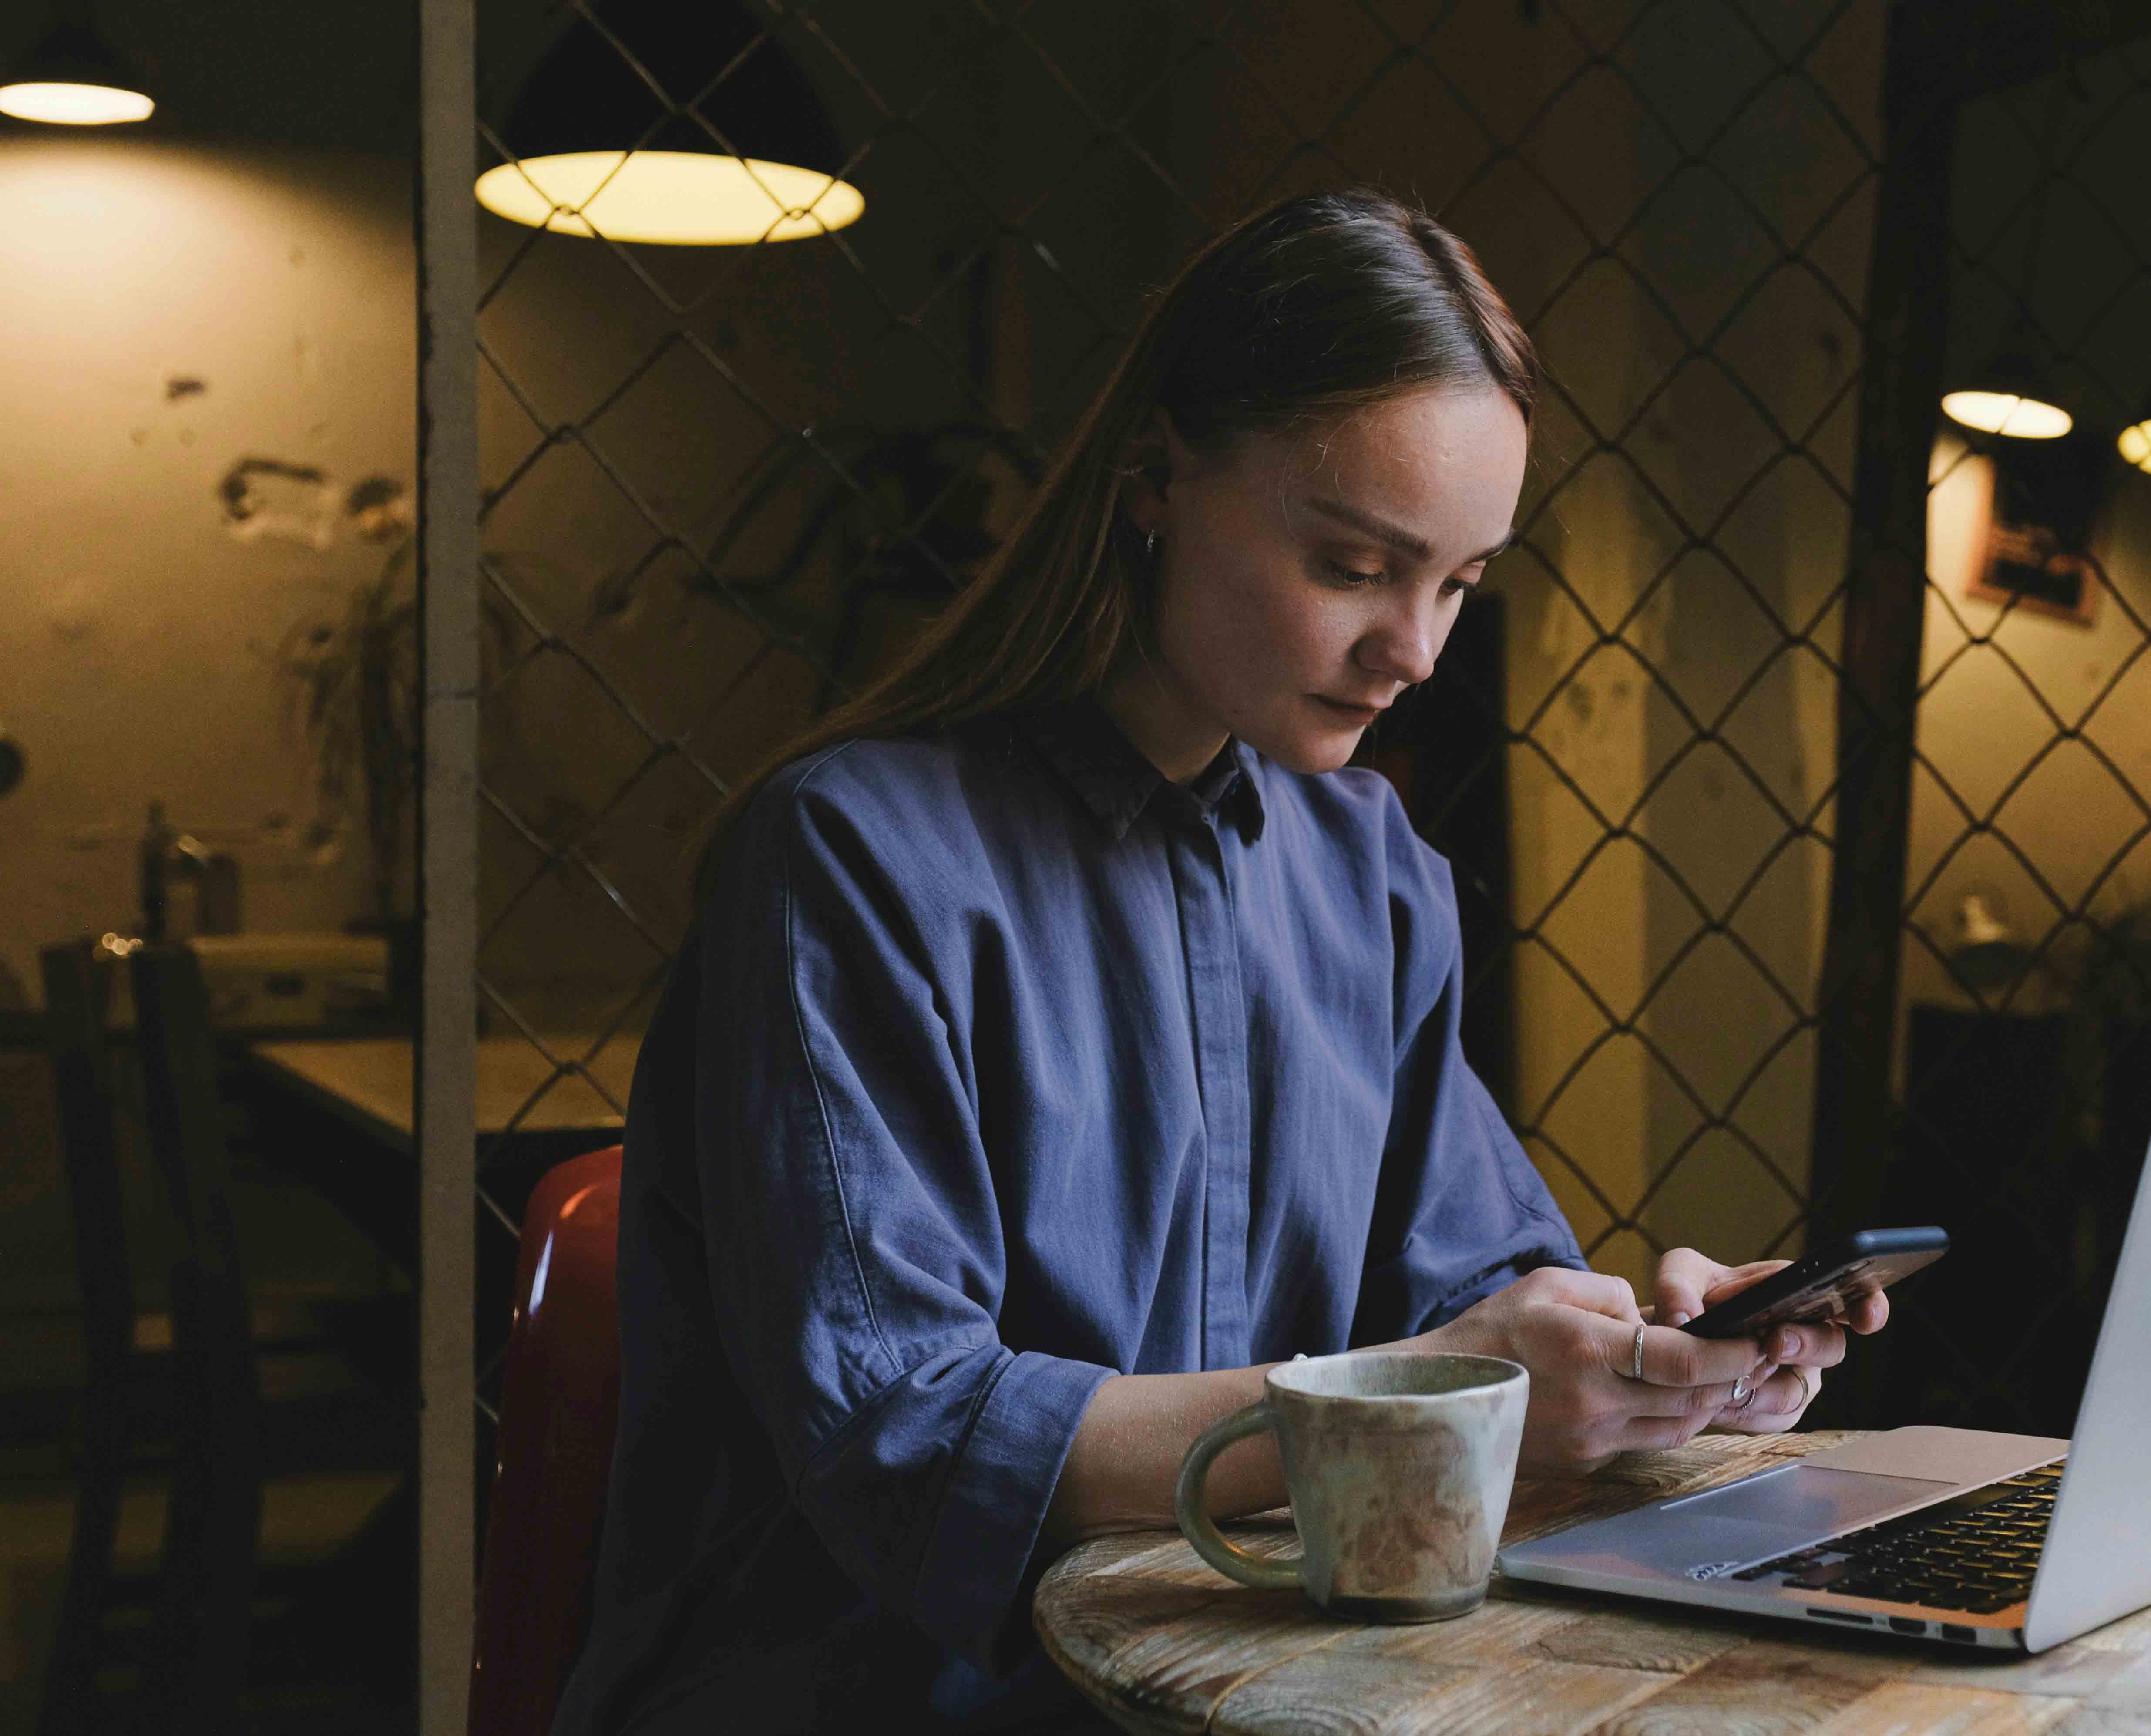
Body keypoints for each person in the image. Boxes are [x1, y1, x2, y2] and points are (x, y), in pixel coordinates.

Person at [550, 187, 1887, 1736]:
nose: (1421, 651)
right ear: (1153, 486)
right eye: (1355, 565)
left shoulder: (1375, 873)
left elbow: (1463, 1299)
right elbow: (907, 1433)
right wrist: (1436, 1386)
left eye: (1458, 582)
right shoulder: (847, 859)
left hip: (1259, 1687)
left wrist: (1646, 1366)